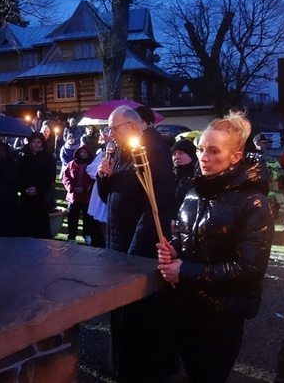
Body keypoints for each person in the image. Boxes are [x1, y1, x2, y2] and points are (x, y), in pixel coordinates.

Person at [157, 111, 273, 383]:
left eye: (213, 151)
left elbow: (250, 268)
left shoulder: (253, 202)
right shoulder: (194, 191)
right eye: (200, 149)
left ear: (235, 156)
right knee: (193, 370)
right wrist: (175, 248)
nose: (203, 157)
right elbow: (192, 239)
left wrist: (184, 270)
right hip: (187, 305)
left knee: (209, 375)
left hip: (222, 312)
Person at [96, 105, 177, 382]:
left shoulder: (152, 150)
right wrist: (103, 177)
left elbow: (156, 205)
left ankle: (139, 369)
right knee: (120, 309)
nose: (109, 134)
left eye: (113, 128)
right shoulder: (119, 150)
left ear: (131, 126)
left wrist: (134, 251)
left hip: (135, 244)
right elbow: (109, 197)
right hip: (117, 238)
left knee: (139, 312)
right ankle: (119, 364)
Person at [18, 132, 56, 239]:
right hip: (26, 196)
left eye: (38, 142)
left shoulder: (48, 158)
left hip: (41, 196)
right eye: (34, 142)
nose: (36, 144)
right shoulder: (24, 158)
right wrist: (25, 189)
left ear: (42, 144)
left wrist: (37, 188)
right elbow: (19, 175)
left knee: (41, 226)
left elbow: (50, 176)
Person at [62, 144, 96, 243]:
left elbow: (92, 180)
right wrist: (71, 188)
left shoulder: (91, 166)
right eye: (81, 152)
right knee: (72, 217)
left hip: (86, 197)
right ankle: (72, 237)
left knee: (87, 218)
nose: (83, 154)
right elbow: (66, 178)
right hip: (73, 196)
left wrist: (85, 189)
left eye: (85, 152)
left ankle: (87, 236)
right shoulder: (71, 164)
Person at [0, 142, 21, 237]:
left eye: (3, 151)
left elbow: (15, 180)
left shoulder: (13, 164)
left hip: (10, 197)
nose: (1, 153)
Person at [251, 133, 284, 223]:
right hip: (252, 198)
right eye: (264, 143)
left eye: (267, 143)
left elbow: (280, 174)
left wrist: (268, 172)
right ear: (257, 143)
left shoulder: (271, 159)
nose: (266, 145)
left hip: (268, 199)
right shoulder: (248, 159)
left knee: (269, 224)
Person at [171, 139, 197, 215]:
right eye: (174, 154)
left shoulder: (198, 178)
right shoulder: (169, 175)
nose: (176, 157)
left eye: (180, 153)